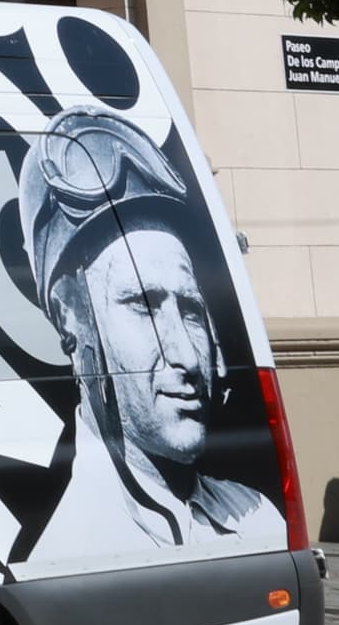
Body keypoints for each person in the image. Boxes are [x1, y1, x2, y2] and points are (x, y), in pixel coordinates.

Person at [19, 110, 277, 557]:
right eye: (144, 305)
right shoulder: (67, 550)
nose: (187, 357)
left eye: (191, 310)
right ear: (69, 319)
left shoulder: (258, 515)